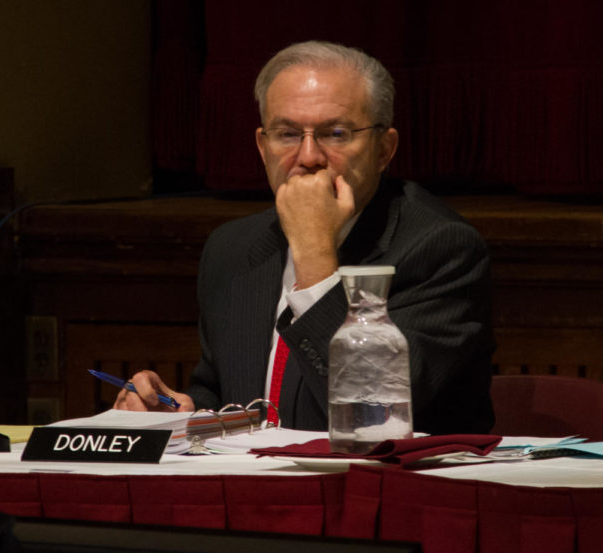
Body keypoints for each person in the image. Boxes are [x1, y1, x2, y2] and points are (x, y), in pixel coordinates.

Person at [115, 41, 495, 434]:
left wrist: (314, 253)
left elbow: (372, 414)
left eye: (335, 133)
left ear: (384, 149)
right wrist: (182, 413)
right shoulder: (231, 248)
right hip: (257, 487)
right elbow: (226, 394)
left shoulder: (441, 249)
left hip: (384, 488)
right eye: (287, 134)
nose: (309, 156)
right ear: (263, 148)